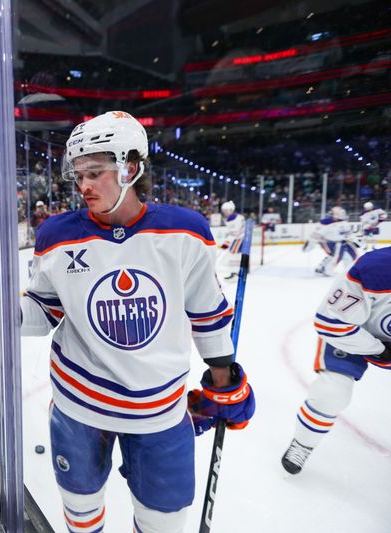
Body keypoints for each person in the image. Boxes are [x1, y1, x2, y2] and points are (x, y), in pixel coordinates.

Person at [21, 111, 255, 533]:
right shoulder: (55, 235)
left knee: (163, 522)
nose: (83, 185)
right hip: (80, 403)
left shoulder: (185, 232)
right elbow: (43, 311)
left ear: (130, 167)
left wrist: (225, 376)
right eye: (78, 174)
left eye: (95, 172)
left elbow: (207, 311)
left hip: (160, 409)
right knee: (81, 512)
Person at [281, 246, 391, 474]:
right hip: (353, 333)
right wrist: (378, 349)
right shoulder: (376, 269)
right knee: (332, 393)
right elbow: (331, 323)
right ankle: (303, 442)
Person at [306, 206, 359, 276]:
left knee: (340, 256)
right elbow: (317, 235)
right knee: (336, 256)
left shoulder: (342, 223)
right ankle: (326, 269)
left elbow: (347, 234)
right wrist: (315, 242)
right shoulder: (327, 223)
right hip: (333, 242)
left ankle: (321, 267)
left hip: (339, 242)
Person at [219, 200, 245, 280]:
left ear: (231, 210)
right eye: (224, 211)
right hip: (234, 239)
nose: (225, 212)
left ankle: (235, 272)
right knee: (232, 254)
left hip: (238, 239)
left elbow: (236, 232)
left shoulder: (238, 218)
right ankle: (234, 272)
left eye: (226, 210)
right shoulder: (229, 218)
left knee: (233, 255)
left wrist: (227, 243)